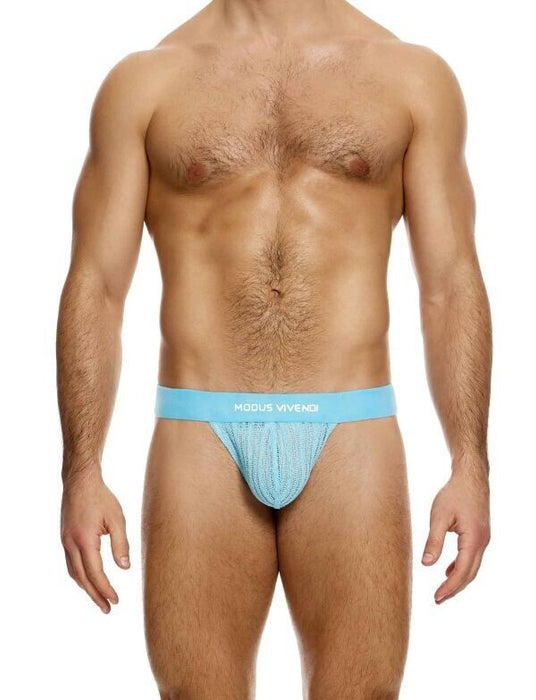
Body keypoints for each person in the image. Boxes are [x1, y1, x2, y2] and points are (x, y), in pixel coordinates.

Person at [57, 1, 492, 697]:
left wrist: (470, 462)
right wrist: (81, 471)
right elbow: (98, 286)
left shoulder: (411, 77)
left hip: (351, 425)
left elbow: (449, 283)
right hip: (201, 427)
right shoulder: (147, 83)